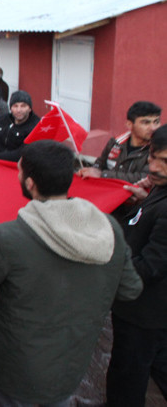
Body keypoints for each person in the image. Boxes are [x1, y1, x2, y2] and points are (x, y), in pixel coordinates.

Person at [0, 140, 142, 406]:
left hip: (19, 362)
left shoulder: (9, 236)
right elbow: (130, 289)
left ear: (30, 183)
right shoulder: (109, 229)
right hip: (74, 357)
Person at [106, 124, 167, 406]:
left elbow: (151, 266)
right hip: (138, 307)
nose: (153, 167)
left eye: (163, 161)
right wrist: (141, 203)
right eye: (153, 157)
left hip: (146, 311)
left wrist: (107, 270)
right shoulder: (158, 189)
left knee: (129, 374)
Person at [80, 100, 161, 183]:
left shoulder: (159, 149)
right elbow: (100, 164)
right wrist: (91, 170)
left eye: (156, 122)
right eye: (146, 123)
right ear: (129, 124)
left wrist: (103, 174)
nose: (153, 128)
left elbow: (145, 177)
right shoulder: (115, 143)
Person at [0, 90, 40, 162]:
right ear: (11, 108)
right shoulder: (3, 119)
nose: (19, 110)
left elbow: (20, 154)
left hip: (18, 167)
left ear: (30, 108)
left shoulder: (36, 126)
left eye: (23, 106)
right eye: (15, 106)